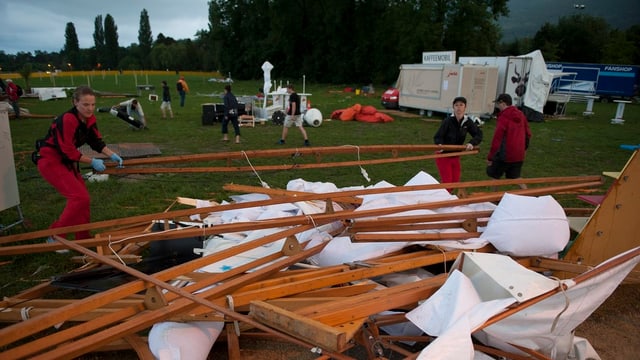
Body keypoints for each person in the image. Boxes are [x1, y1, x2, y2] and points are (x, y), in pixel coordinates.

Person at [34, 85, 123, 247]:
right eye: (85, 104)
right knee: (78, 197)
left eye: (93, 104)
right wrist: (92, 161)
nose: (90, 108)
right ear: (75, 103)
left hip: (66, 161)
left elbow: (95, 141)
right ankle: (55, 237)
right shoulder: (68, 119)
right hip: (51, 161)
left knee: (84, 199)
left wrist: (112, 155)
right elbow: (66, 150)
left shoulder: (90, 119)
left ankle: (82, 237)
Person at [433, 96, 483, 190]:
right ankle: (443, 201)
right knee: (447, 183)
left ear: (465, 107)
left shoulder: (467, 121)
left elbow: (478, 134)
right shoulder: (448, 121)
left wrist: (471, 143)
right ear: (453, 107)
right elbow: (438, 136)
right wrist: (440, 145)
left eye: (461, 105)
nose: (459, 107)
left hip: (456, 154)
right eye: (456, 105)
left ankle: (446, 198)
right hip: (443, 155)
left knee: (455, 182)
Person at [486, 93, 532, 189]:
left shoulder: (504, 117)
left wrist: (491, 157)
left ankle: (494, 199)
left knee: (495, 176)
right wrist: (524, 149)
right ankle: (528, 194)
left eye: (498, 104)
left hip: (505, 154)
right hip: (518, 154)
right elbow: (528, 134)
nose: (497, 106)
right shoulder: (521, 115)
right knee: (516, 177)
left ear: (503, 103)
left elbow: (497, 139)